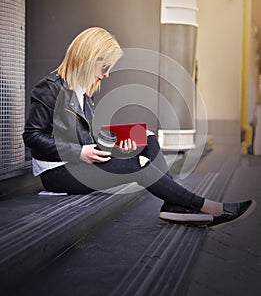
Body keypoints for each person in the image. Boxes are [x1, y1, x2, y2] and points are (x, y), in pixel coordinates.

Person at [23, 27, 256, 231]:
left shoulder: (84, 91)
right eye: (104, 66)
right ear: (88, 57)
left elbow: (87, 138)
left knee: (148, 138)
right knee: (142, 167)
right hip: (58, 173)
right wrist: (79, 153)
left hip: (81, 163)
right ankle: (211, 208)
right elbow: (32, 137)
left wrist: (118, 143)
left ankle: (174, 204)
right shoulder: (50, 88)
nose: (106, 73)